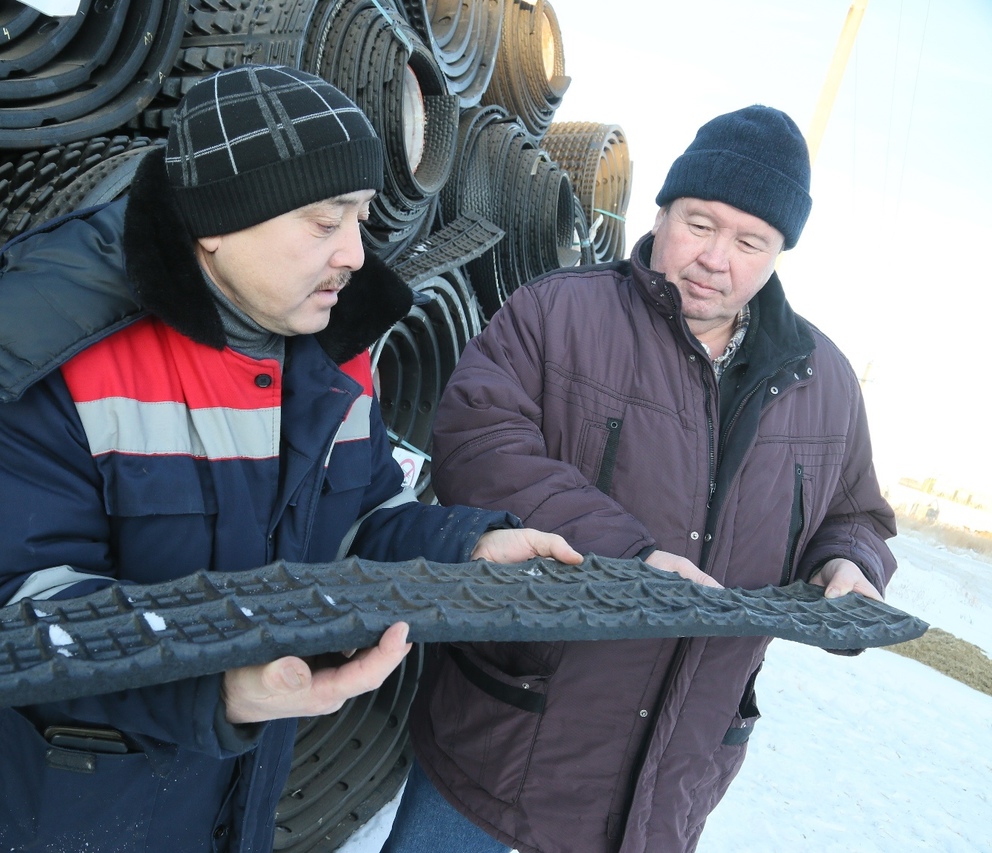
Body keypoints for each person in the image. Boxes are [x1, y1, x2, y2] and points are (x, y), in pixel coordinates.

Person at [0, 64, 580, 852]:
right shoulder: (49, 353)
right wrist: (220, 683)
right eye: (323, 220)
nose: (354, 255)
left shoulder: (338, 351)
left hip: (236, 804)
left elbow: (359, 519)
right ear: (217, 224)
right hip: (61, 812)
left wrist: (464, 546)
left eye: (362, 218)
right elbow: (14, 611)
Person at [382, 105, 897, 853]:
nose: (715, 257)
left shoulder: (827, 381)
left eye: (749, 241)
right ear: (662, 210)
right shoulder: (558, 312)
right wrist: (630, 557)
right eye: (700, 223)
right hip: (507, 753)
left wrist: (847, 563)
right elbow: (479, 442)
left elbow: (856, 514)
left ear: (779, 252)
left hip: (667, 786)